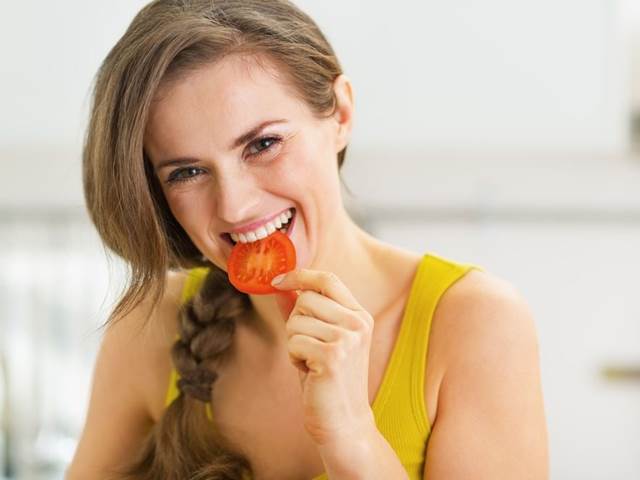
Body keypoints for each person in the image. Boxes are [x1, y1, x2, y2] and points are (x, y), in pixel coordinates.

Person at [67, 0, 549, 479]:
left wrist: (352, 434)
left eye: (263, 144)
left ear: (341, 114)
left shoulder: (476, 322)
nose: (234, 207)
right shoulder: (150, 327)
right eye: (187, 172)